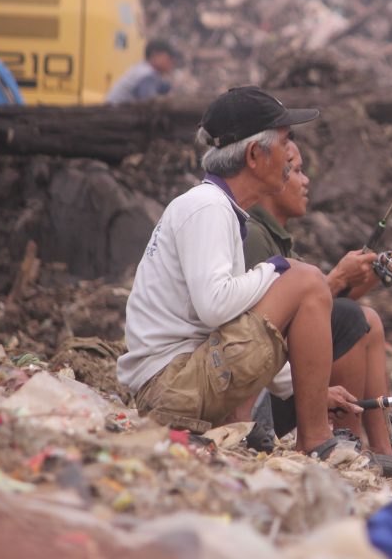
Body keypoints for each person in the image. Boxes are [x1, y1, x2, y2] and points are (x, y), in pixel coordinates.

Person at [117, 86, 360, 460]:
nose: (290, 156)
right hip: (170, 387)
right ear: (253, 155)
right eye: (284, 143)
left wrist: (303, 390)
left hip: (175, 383)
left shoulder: (216, 208)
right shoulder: (207, 208)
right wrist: (275, 269)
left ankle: (299, 430)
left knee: (296, 280)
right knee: (307, 280)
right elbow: (215, 308)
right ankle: (315, 440)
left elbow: (232, 323)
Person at [243, 139, 392, 476]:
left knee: (368, 320)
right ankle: (343, 441)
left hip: (277, 382)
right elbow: (261, 328)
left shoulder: (273, 237)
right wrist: (337, 278)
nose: (304, 180)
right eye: (295, 170)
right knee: (354, 317)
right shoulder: (253, 236)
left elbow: (310, 316)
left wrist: (376, 276)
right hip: (258, 398)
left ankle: (384, 454)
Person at [106, 39, 177, 104]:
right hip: (114, 115)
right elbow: (150, 104)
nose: (171, 62)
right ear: (155, 55)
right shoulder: (147, 74)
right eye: (168, 58)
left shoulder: (142, 69)